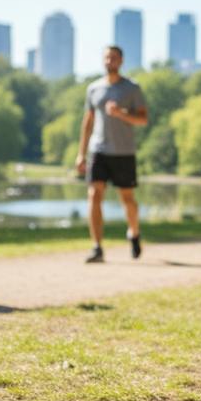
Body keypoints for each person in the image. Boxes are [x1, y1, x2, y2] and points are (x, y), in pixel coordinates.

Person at [76, 45, 149, 263]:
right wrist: (81, 154)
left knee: (127, 199)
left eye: (114, 58)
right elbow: (88, 123)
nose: (110, 61)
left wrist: (120, 113)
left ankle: (134, 233)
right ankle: (97, 247)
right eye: (107, 58)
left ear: (121, 61)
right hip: (98, 150)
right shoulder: (93, 88)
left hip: (124, 152)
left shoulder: (132, 88)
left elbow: (142, 119)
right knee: (94, 195)